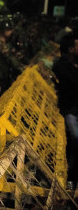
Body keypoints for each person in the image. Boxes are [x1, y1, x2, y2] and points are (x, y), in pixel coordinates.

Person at [52, 34, 78, 197]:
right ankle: (70, 182)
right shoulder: (62, 66)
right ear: (71, 49)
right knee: (75, 141)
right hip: (70, 111)